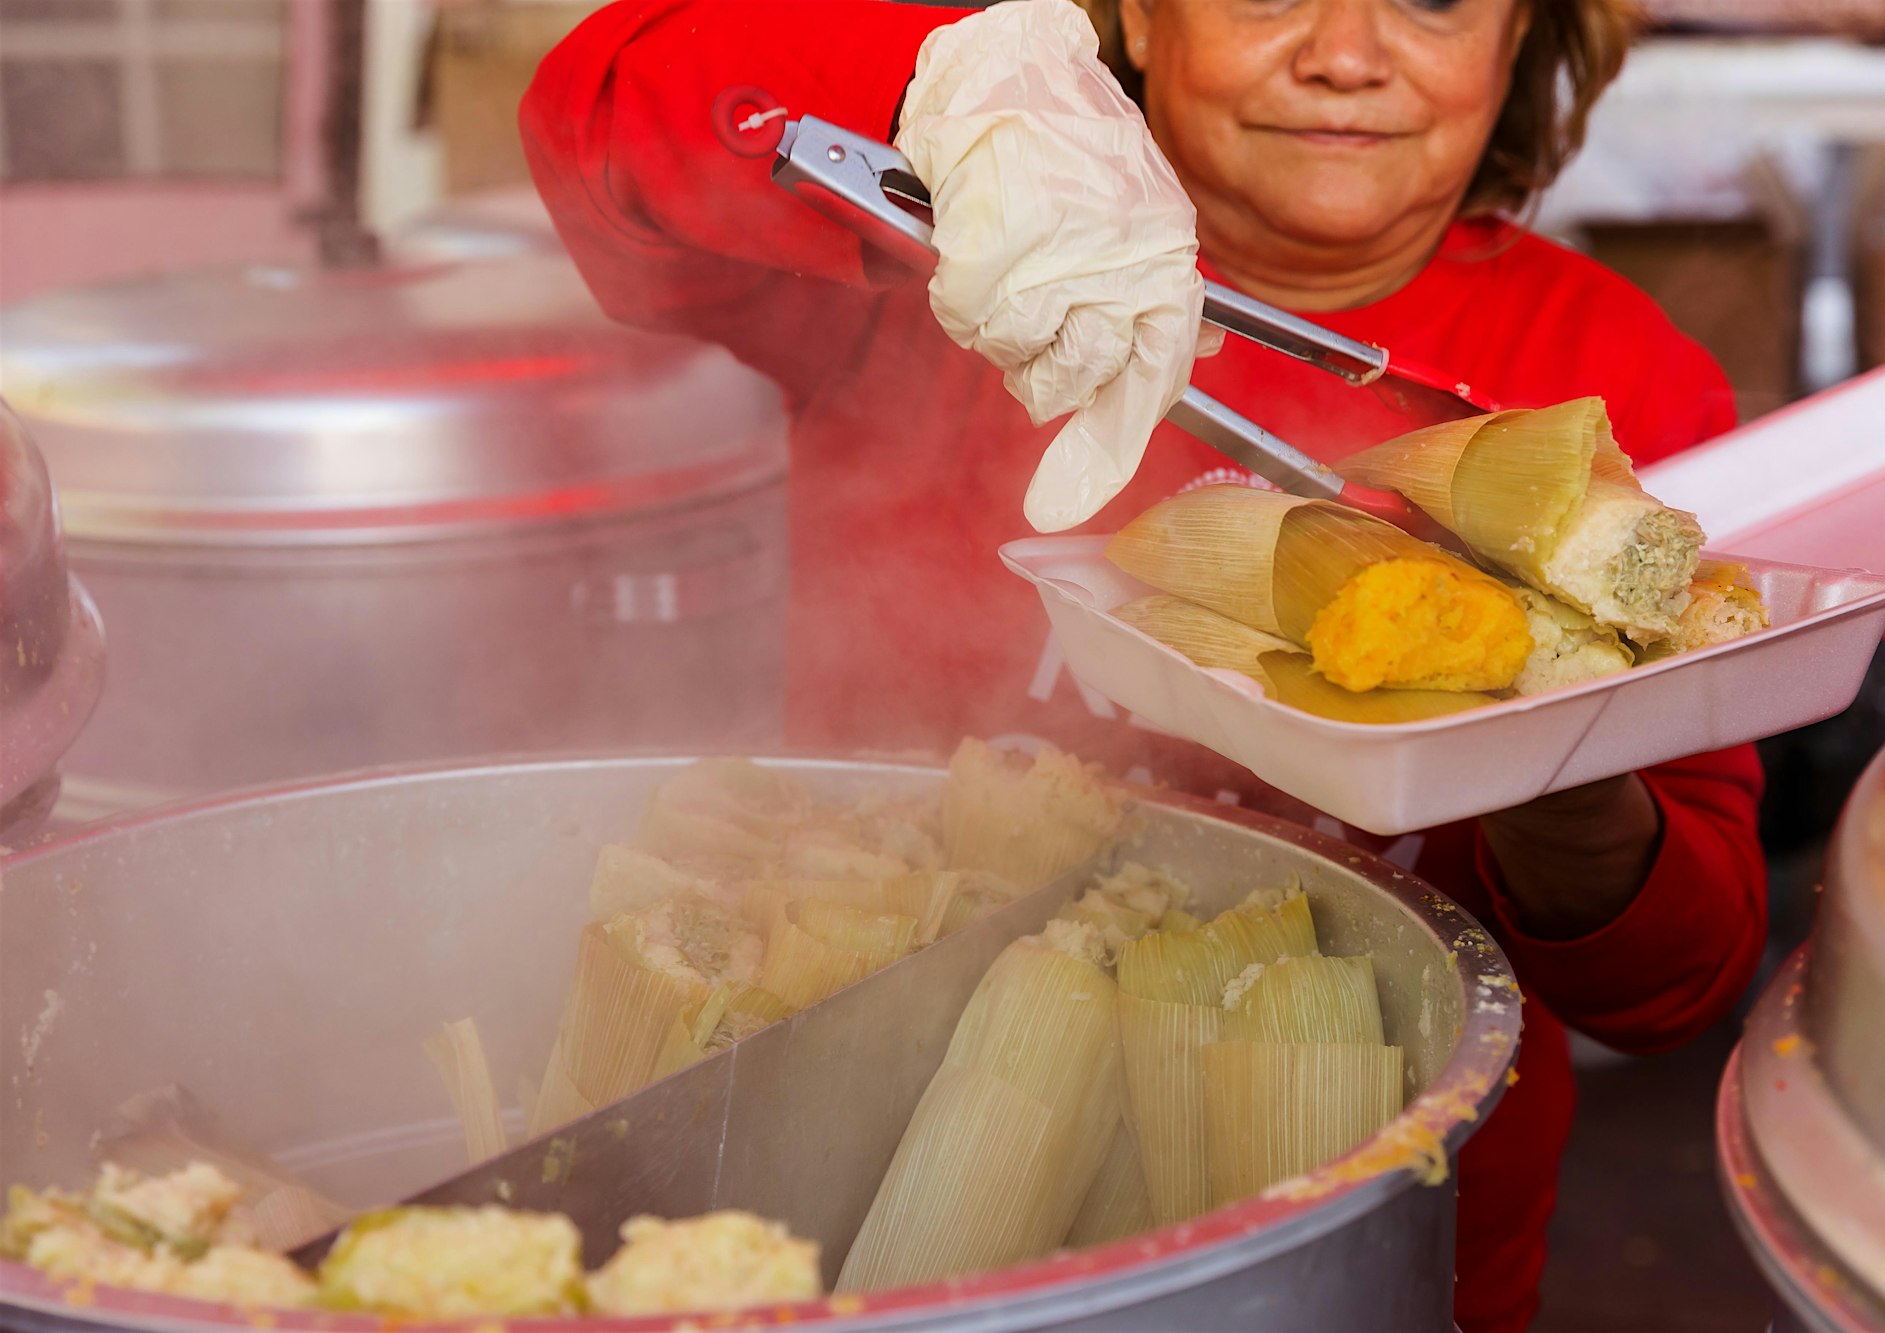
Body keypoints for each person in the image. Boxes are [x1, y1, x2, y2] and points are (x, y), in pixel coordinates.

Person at [521, 1, 1767, 1327]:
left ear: (1528, 32)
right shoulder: (927, 263)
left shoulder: (1618, 392)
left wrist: (1566, 768)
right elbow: (591, 130)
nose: (1345, 56)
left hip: (1381, 1250)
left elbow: (1669, 987)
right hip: (854, 1200)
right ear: (1134, 15)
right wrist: (963, 91)